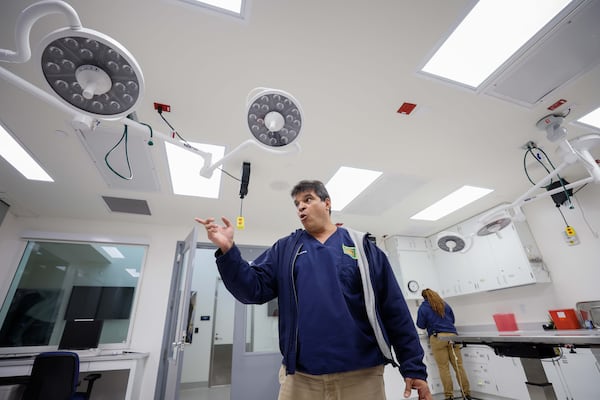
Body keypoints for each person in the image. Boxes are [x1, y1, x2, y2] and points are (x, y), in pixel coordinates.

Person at [196, 180, 432, 400]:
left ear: (327, 203)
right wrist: (228, 252)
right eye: (297, 204)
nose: (301, 207)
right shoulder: (286, 249)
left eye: (308, 200)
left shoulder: (363, 248)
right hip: (301, 378)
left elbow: (395, 311)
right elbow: (251, 290)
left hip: (362, 375)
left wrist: (413, 368)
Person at [416, 288, 472, 400]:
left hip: (438, 338)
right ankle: (466, 394)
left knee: (443, 368)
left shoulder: (423, 307)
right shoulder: (444, 304)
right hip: (453, 336)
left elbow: (420, 325)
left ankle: (449, 396)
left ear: (424, 297)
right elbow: (452, 320)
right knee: (459, 366)